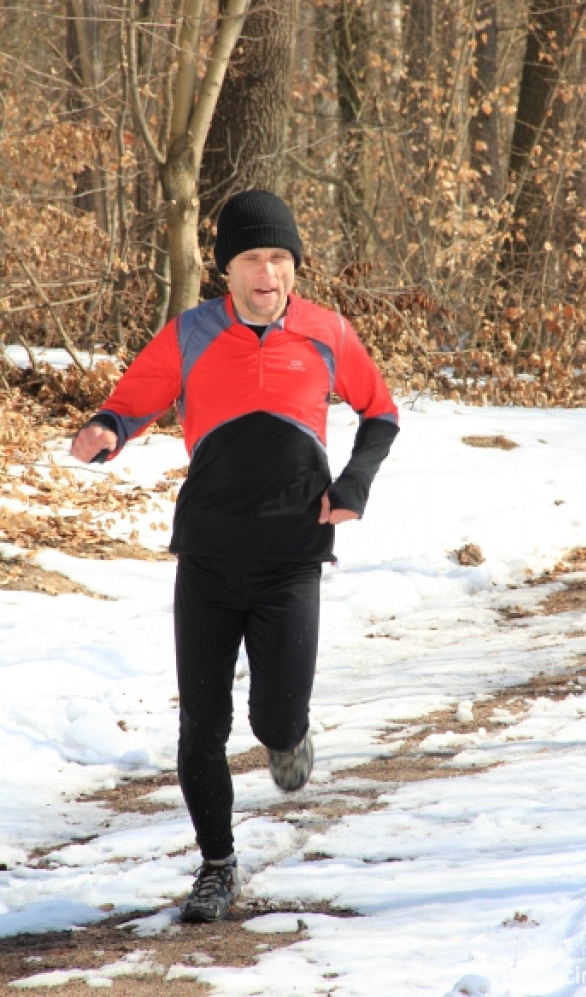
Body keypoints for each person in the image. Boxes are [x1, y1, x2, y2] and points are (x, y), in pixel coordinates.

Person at [70, 189, 399, 923]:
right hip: (209, 555)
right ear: (227, 268)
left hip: (291, 556)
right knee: (201, 726)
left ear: (294, 266)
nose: (267, 273)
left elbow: (380, 412)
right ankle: (217, 867)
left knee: (274, 718)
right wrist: (105, 430)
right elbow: (130, 404)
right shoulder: (190, 333)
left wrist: (354, 484)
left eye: (279, 258)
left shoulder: (327, 332)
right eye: (252, 258)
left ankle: (287, 737)